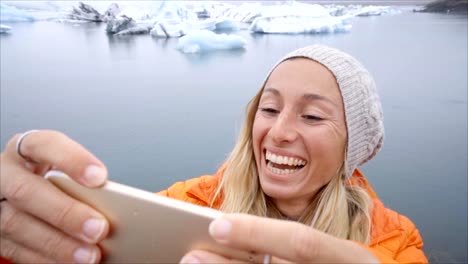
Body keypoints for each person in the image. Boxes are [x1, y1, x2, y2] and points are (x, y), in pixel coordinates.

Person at [0, 45, 428, 264]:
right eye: (270, 108)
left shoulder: (393, 242)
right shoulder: (191, 205)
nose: (278, 132)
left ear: (352, 146)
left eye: (313, 116)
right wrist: (16, 219)